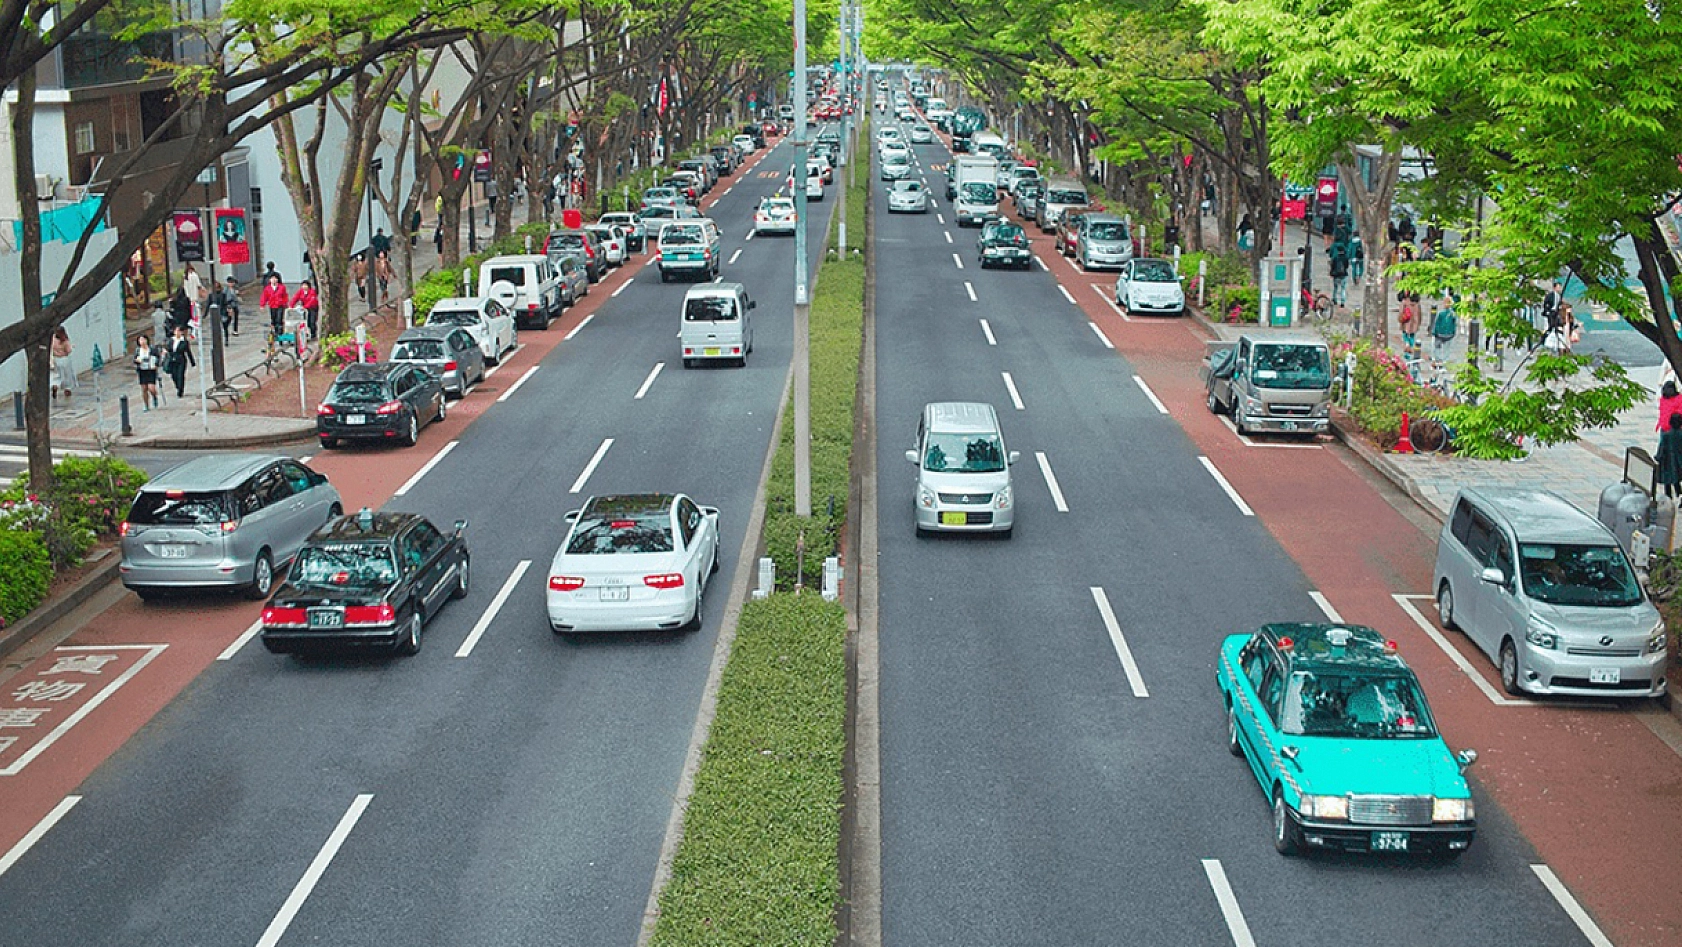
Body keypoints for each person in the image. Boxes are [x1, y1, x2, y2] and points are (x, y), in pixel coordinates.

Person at [165, 324, 195, 398]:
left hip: (181, 360)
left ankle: (180, 390)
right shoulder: (171, 340)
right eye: (176, 331)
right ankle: (178, 386)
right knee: (173, 375)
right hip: (172, 360)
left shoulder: (184, 341)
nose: (177, 332)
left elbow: (188, 352)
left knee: (180, 375)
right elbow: (168, 349)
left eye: (179, 331)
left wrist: (192, 362)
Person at [133, 334, 161, 410]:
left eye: (143, 339)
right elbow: (134, 360)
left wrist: (156, 364)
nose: (142, 341)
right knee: (144, 388)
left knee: (151, 388)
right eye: (140, 340)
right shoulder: (138, 350)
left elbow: (158, 357)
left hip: (151, 370)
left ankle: (154, 396)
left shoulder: (152, 349)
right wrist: (137, 361)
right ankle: (146, 405)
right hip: (142, 371)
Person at [1659, 413, 1682, 499]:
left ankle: (1668, 497)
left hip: (1667, 462)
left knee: (1667, 481)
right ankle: (1679, 495)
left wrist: (1658, 458)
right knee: (1677, 482)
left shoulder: (1666, 435)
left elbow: (1661, 450)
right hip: (1679, 463)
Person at [50, 327, 74, 400]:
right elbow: (68, 350)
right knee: (67, 376)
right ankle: (67, 390)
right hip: (64, 359)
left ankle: (55, 386)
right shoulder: (64, 340)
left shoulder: (53, 339)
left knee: (57, 376)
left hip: (55, 359)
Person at [1328, 242, 1350, 307]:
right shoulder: (1345, 257)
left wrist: (1331, 273)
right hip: (1344, 275)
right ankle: (1342, 302)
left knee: (1335, 288)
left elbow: (1332, 266)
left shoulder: (1335, 257)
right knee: (1343, 288)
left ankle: (1334, 299)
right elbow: (1346, 266)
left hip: (1336, 275)